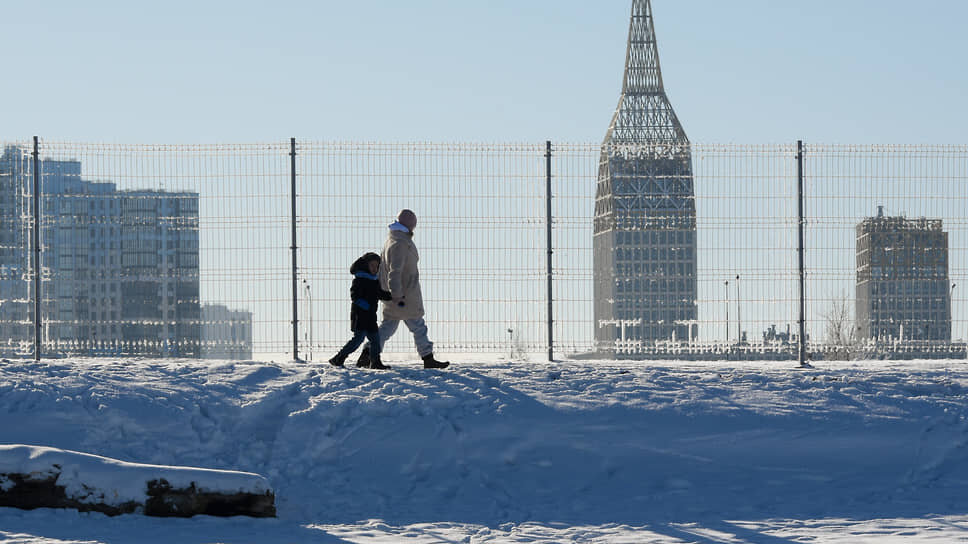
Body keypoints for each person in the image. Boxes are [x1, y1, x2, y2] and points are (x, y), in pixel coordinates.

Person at [357, 209, 450, 369]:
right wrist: (398, 295)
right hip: (404, 295)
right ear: (410, 226)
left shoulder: (392, 240)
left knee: (388, 328)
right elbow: (395, 271)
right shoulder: (400, 243)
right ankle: (428, 358)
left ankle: (367, 354)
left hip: (395, 294)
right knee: (418, 326)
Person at [329, 252, 392, 370]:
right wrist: (365, 305)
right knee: (357, 340)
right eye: (372, 265)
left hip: (371, 317)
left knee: (375, 340)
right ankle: (338, 358)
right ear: (365, 265)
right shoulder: (359, 280)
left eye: (377, 266)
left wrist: (390, 296)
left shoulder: (374, 281)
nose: (375, 268)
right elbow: (355, 296)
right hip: (360, 316)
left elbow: (379, 293)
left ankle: (375, 362)